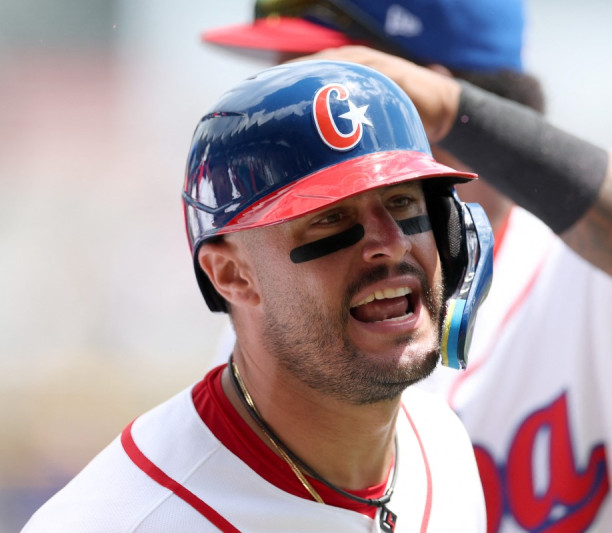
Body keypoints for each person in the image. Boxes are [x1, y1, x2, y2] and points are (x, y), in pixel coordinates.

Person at [201, 2, 612, 532]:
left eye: (317, 89)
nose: (284, 122)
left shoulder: (601, 266)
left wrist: (453, 110)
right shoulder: (294, 315)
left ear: (419, 91)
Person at [23, 60, 492, 532]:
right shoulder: (121, 520)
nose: (391, 243)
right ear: (232, 274)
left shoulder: (442, 447)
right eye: (331, 218)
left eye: (402, 201)